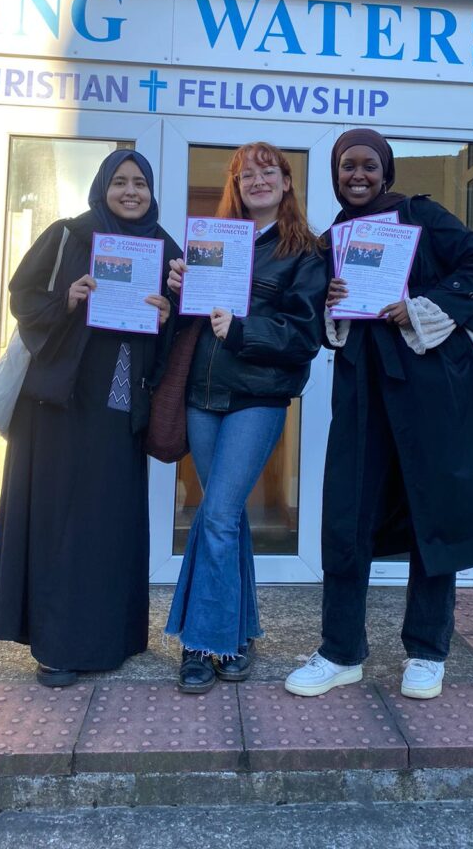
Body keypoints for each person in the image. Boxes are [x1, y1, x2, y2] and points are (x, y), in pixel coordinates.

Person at [285, 129, 473, 700]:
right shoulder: (333, 241)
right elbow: (314, 318)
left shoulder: (420, 215)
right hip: (361, 392)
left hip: (432, 387)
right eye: (347, 165)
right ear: (334, 173)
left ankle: (427, 650)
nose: (358, 175)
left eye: (369, 166)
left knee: (435, 513)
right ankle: (340, 650)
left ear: (386, 171)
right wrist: (333, 304)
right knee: (346, 516)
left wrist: (422, 304)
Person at [0, 150, 181, 687]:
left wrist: (169, 313)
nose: (131, 191)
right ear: (102, 187)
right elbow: (22, 298)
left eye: (140, 182)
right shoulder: (70, 234)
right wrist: (66, 300)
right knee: (61, 522)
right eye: (120, 182)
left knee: (110, 520)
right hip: (60, 405)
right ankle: (59, 646)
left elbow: (184, 328)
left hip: (120, 405)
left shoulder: (164, 247)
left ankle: (113, 636)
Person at [164, 141, 327, 693]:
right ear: (234, 186)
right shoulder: (213, 242)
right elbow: (189, 324)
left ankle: (198, 642)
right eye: (245, 174)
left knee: (215, 516)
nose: (256, 181)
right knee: (225, 519)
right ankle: (237, 633)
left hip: (257, 399)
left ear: (286, 183)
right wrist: (182, 290)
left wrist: (239, 327)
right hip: (203, 397)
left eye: (268, 172)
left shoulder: (305, 253)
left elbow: (303, 338)